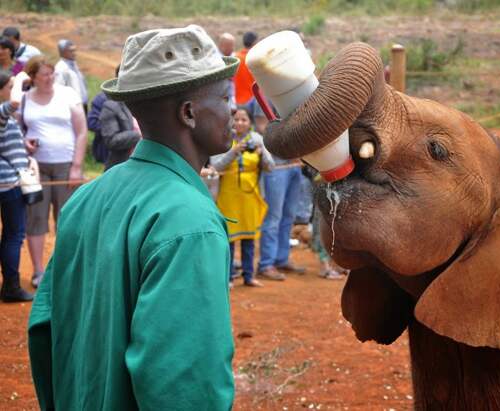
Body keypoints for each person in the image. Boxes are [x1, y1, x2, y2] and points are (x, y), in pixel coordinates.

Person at [28, 25, 239, 410]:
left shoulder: (85, 198)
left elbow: (44, 330)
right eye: (224, 98)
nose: (234, 110)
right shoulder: (190, 223)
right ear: (189, 113)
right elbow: (184, 388)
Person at [20, 55, 87, 287]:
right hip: (36, 167)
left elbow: (81, 130)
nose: (50, 78)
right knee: (36, 219)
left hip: (66, 165)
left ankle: (66, 269)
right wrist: (24, 143)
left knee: (66, 218)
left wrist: (77, 166)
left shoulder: (67, 95)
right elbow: (17, 129)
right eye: (44, 74)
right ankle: (38, 271)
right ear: (33, 77)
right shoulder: (25, 98)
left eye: (51, 73)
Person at [212, 107, 274, 288]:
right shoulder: (223, 139)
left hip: (250, 195)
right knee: (229, 238)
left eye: (243, 120)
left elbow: (270, 167)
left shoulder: (257, 140)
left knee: (249, 238)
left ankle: (249, 276)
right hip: (228, 194)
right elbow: (215, 166)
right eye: (236, 119)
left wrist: (263, 155)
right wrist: (233, 151)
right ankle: (229, 277)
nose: (239, 123)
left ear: (250, 122)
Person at [253, 99, 306, 281]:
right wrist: (287, 140)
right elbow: (261, 127)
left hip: (294, 163)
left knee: (289, 215)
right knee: (274, 215)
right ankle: (266, 263)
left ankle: (281, 258)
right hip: (275, 165)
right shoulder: (262, 94)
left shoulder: (290, 92)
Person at [0, 70, 33, 302]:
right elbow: (14, 102)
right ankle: (11, 287)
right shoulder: (2, 112)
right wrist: (21, 78)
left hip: (8, 181)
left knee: (9, 235)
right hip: (8, 183)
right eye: (8, 85)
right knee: (14, 235)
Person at [99, 94, 141, 170]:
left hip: (145, 167)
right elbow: (111, 140)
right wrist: (138, 135)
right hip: (121, 167)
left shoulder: (146, 104)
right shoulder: (111, 106)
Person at [87, 66, 118, 164]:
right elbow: (92, 123)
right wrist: (113, 126)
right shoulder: (103, 99)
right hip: (109, 154)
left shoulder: (139, 97)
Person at [54, 39, 88, 114]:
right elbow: (59, 89)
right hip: (72, 108)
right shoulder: (61, 68)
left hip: (82, 105)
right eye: (71, 51)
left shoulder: (73, 64)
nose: (74, 53)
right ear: (63, 52)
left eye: (74, 50)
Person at [232, 31, 258, 107]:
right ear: (254, 43)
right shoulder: (255, 59)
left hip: (237, 102)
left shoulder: (235, 59)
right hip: (253, 103)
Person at [217, 33, 236, 111]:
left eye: (233, 45)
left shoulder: (234, 57)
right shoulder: (215, 59)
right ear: (221, 46)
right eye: (230, 45)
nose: (232, 48)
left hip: (232, 95)